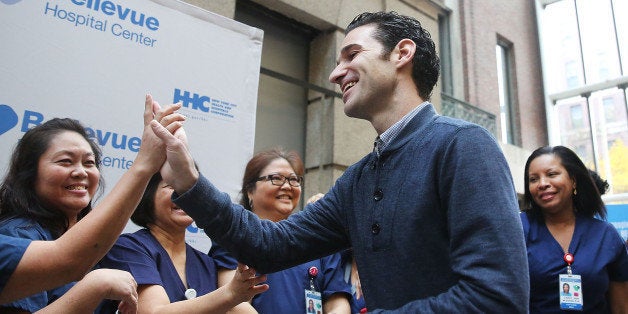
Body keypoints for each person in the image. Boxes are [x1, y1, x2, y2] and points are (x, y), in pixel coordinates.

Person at [149, 10, 529, 313]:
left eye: (351, 55)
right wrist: (187, 179)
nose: (334, 74)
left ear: (402, 53)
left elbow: (495, 297)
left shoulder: (463, 146)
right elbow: (268, 245)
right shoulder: (359, 179)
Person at [0, 95, 185, 312]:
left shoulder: (103, 244)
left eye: (89, 163)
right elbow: (67, 261)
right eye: (65, 161)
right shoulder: (19, 234)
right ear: (30, 173)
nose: (80, 172)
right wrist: (94, 287)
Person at [97, 172, 268, 313]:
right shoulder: (127, 248)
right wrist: (231, 293)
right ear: (147, 195)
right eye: (171, 185)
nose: (184, 196)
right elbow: (153, 312)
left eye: (189, 189)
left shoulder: (206, 263)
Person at [209, 149, 351, 314]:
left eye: (293, 180)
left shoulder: (317, 237)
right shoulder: (234, 236)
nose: (287, 186)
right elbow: (232, 304)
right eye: (276, 178)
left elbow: (338, 304)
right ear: (250, 190)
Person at [521, 145, 628, 313]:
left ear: (573, 180)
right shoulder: (517, 230)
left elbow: (621, 307)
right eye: (533, 179)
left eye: (551, 174)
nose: (542, 184)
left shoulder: (605, 236)